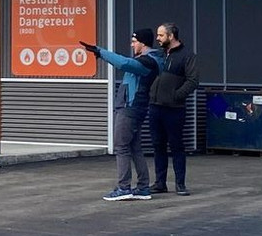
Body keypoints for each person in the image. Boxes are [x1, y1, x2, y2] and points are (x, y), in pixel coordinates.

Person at [81, 29, 163, 202]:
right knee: (134, 148)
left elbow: (124, 63)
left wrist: (101, 52)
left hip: (130, 108)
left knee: (121, 147)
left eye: (134, 41)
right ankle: (142, 187)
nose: (132, 45)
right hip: (134, 108)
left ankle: (124, 187)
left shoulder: (147, 62)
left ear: (143, 43)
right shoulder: (150, 61)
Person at [147, 23, 198, 196]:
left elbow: (192, 81)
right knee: (157, 145)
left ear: (171, 36)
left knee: (176, 146)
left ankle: (180, 184)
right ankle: (160, 183)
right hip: (155, 106)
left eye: (161, 35)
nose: (158, 39)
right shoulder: (159, 55)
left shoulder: (187, 56)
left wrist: (176, 95)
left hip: (174, 109)